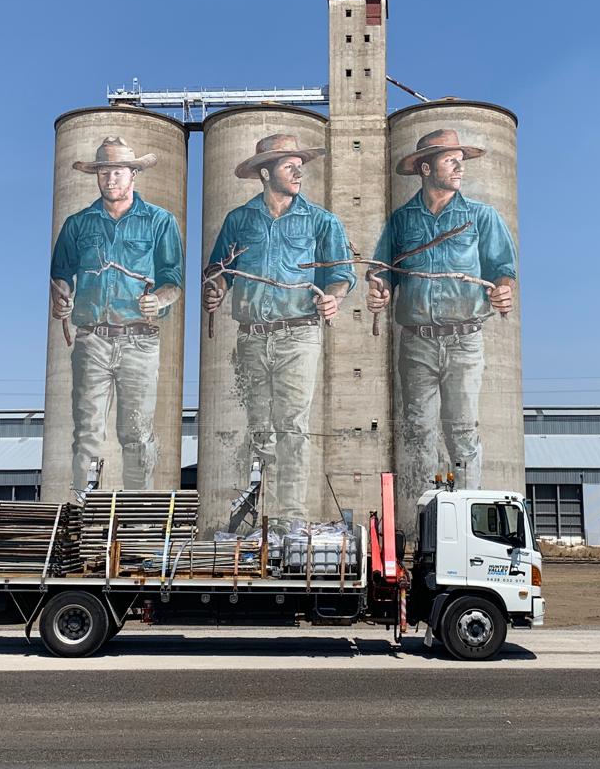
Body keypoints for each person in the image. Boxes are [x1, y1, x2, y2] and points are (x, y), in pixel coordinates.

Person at [204, 133, 354, 523]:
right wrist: (216, 289)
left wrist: (333, 296)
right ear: (266, 172)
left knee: (291, 426)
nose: (298, 170)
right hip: (251, 337)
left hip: (299, 334)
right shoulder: (238, 220)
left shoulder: (322, 221)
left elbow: (340, 274)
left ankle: (291, 518)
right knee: (258, 427)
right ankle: (259, 518)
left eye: (299, 163)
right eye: (289, 164)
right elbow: (220, 270)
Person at [367, 128, 517, 496]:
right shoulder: (401, 221)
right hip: (416, 344)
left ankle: (465, 515)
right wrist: (380, 289)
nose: (458, 167)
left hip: (465, 340)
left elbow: (503, 268)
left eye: (460, 160)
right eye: (450, 160)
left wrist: (503, 291)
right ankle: (427, 517)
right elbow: (382, 268)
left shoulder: (482, 217)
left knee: (462, 431)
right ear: (425, 168)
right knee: (418, 432)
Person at [50, 137, 183, 493]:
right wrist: (61, 295)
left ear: (133, 174)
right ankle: (86, 517)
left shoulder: (160, 222)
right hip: (91, 340)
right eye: (104, 172)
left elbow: (173, 280)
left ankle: (135, 520)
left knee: (137, 432)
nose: (111, 179)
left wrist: (160, 300)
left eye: (118, 172)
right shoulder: (77, 224)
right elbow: (60, 273)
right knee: (87, 431)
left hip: (139, 341)